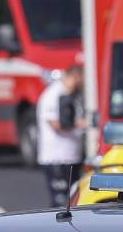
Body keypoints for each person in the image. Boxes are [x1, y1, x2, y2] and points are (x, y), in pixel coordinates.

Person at [37, 65, 86, 207]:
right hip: (57, 158)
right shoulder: (53, 94)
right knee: (60, 202)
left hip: (71, 156)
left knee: (73, 201)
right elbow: (55, 123)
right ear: (75, 77)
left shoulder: (72, 95)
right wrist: (79, 124)